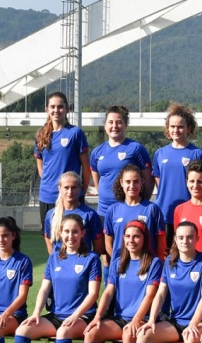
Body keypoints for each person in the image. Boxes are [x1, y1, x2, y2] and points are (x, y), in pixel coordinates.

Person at [14, 214, 102, 343]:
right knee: (22, 331)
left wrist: (76, 315)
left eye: (75, 232)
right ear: (60, 233)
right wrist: (36, 312)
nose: (71, 236)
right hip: (56, 315)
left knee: (62, 333)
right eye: (67, 232)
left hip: (83, 316)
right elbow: (45, 288)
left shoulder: (91, 258)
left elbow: (93, 294)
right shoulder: (54, 257)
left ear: (82, 233)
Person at [83, 221, 163, 343]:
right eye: (127, 236)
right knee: (91, 333)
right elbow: (109, 292)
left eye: (136, 236)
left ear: (144, 239)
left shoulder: (154, 262)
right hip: (120, 318)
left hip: (142, 318)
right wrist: (97, 317)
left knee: (129, 333)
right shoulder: (118, 261)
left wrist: (136, 320)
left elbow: (151, 295)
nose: (131, 240)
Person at [35, 91, 91, 227]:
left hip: (70, 196)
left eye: (60, 106)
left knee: (74, 236)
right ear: (47, 110)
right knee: (50, 237)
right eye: (52, 107)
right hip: (47, 196)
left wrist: (80, 190)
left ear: (67, 109)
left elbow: (86, 167)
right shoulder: (40, 135)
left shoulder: (75, 133)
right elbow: (41, 168)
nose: (56, 110)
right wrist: (50, 186)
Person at [153, 103, 202, 238]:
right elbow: (159, 182)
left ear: (188, 128)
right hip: (164, 213)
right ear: (168, 128)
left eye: (180, 127)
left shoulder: (196, 154)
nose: (176, 130)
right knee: (165, 256)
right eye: (172, 126)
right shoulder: (160, 154)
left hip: (188, 214)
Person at [90, 104, 153, 221]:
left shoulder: (136, 148)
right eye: (110, 122)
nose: (114, 126)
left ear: (125, 125)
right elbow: (98, 183)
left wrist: (139, 206)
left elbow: (149, 182)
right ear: (105, 125)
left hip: (128, 210)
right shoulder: (96, 152)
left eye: (119, 122)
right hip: (104, 212)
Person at [104, 164, 167, 262]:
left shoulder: (152, 209)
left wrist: (157, 264)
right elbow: (108, 244)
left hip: (146, 267)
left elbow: (161, 244)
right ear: (121, 182)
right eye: (128, 182)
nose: (132, 186)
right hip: (121, 269)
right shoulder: (112, 210)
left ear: (142, 182)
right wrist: (119, 263)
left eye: (136, 181)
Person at [44, 172, 104, 256]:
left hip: (82, 265)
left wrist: (87, 262)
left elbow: (99, 246)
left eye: (73, 187)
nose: (70, 191)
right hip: (60, 265)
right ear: (59, 188)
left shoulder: (90, 214)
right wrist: (56, 261)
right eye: (66, 187)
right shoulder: (51, 215)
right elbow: (49, 240)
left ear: (80, 188)